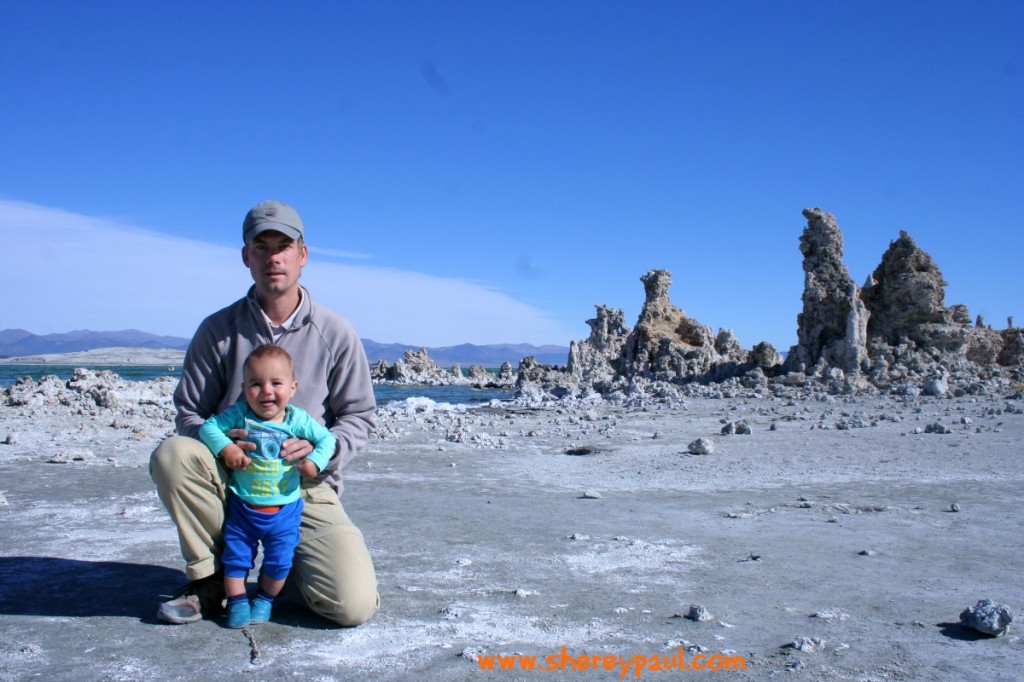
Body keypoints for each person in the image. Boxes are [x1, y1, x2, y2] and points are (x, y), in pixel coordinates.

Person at [150, 199, 379, 627]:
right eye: (261, 246)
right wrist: (220, 445)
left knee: (353, 606)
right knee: (173, 454)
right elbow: (189, 413)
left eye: (284, 246)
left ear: (302, 255)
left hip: (303, 489)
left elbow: (359, 416)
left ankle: (287, 574)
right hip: (233, 480)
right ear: (246, 257)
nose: (273, 257)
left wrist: (317, 454)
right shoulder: (217, 331)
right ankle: (211, 580)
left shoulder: (335, 332)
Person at [198, 344, 335, 628]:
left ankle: (264, 599)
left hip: (284, 509)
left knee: (279, 562)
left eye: (276, 383)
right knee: (236, 559)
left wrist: (314, 463)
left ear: (293, 387)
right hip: (243, 506)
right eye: (256, 384)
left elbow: (328, 439)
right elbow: (207, 427)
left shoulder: (297, 420)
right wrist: (226, 448)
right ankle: (236, 601)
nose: (266, 391)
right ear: (244, 387)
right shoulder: (239, 415)